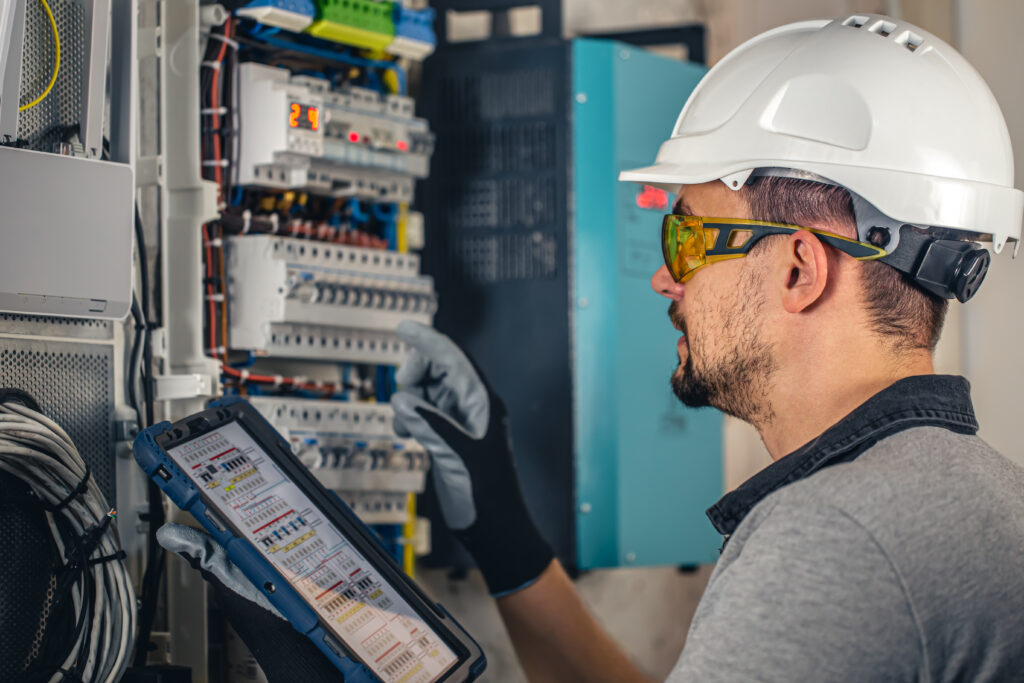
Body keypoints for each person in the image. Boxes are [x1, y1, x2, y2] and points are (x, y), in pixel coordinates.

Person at [162, 13, 1024, 682]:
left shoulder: (836, 534)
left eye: (686, 240)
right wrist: (503, 531)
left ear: (800, 268)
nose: (665, 281)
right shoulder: (971, 495)